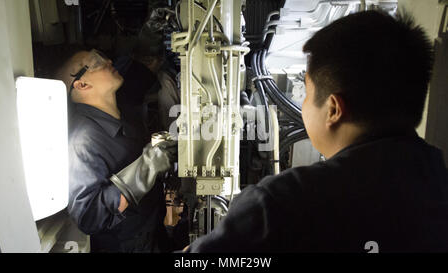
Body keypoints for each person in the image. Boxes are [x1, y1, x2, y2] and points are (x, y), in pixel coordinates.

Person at [184, 10, 448, 252]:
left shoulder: (278, 208)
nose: (304, 104)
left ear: (333, 109)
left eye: (307, 92)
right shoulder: (438, 187)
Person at [57, 49, 176, 252]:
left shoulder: (123, 109)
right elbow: (89, 217)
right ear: (82, 85)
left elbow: (142, 75)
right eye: (96, 62)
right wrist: (147, 167)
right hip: (129, 245)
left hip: (153, 229)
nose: (108, 61)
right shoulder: (83, 142)